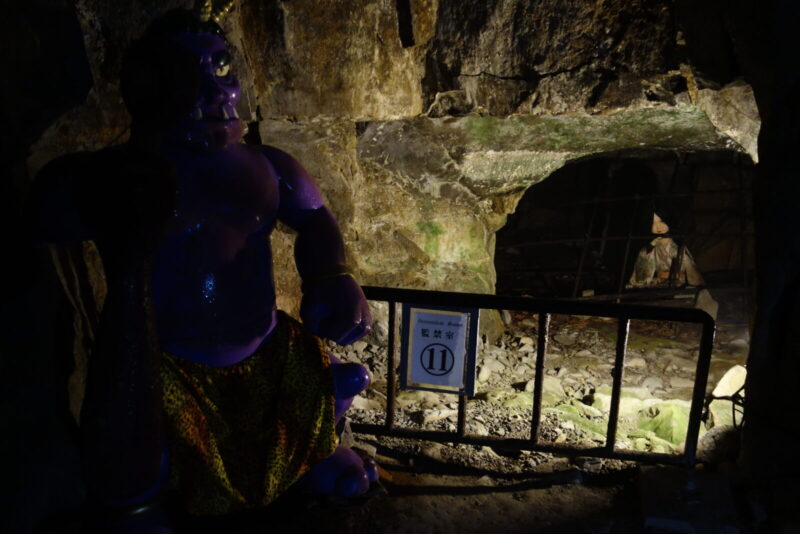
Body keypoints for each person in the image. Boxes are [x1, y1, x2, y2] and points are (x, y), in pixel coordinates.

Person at [31, 2, 377, 530]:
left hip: (267, 347)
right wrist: (100, 186)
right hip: (171, 366)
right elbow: (46, 212)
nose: (214, 91)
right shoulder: (123, 174)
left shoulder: (267, 166)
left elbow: (313, 216)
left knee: (327, 384)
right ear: (147, 85)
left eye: (221, 68)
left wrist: (332, 275)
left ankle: (309, 456)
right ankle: (145, 499)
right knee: (138, 435)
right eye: (184, 75)